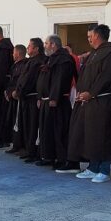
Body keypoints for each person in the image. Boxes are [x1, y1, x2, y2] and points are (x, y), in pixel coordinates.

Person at [70, 24, 111, 183]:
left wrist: (91, 92)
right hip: (89, 101)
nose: (88, 39)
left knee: (104, 135)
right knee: (91, 136)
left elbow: (105, 76)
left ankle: (104, 170)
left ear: (98, 36)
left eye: (90, 36)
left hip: (102, 100)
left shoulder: (110, 53)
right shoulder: (94, 53)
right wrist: (81, 92)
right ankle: (93, 167)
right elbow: (85, 76)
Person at [37, 35, 77, 171]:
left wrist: (54, 97)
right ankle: (49, 156)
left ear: (53, 44)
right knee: (47, 131)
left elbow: (59, 79)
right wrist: (40, 96)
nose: (45, 46)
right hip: (47, 101)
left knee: (59, 131)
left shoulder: (64, 59)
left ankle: (62, 159)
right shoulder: (51, 59)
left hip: (57, 102)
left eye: (46, 43)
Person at [18, 39, 47, 161]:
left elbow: (30, 80)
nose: (27, 47)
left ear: (36, 49)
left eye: (30, 46)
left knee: (33, 126)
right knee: (27, 125)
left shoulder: (39, 61)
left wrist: (20, 91)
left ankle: (34, 152)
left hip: (33, 97)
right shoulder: (31, 61)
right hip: (26, 96)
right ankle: (29, 150)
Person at [4, 44, 29, 155]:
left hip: (18, 97)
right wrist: (7, 91)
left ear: (18, 53)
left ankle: (20, 146)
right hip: (12, 97)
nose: (12, 54)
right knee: (13, 121)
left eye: (14, 52)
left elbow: (19, 82)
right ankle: (15, 144)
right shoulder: (15, 65)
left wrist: (14, 92)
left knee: (19, 122)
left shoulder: (24, 65)